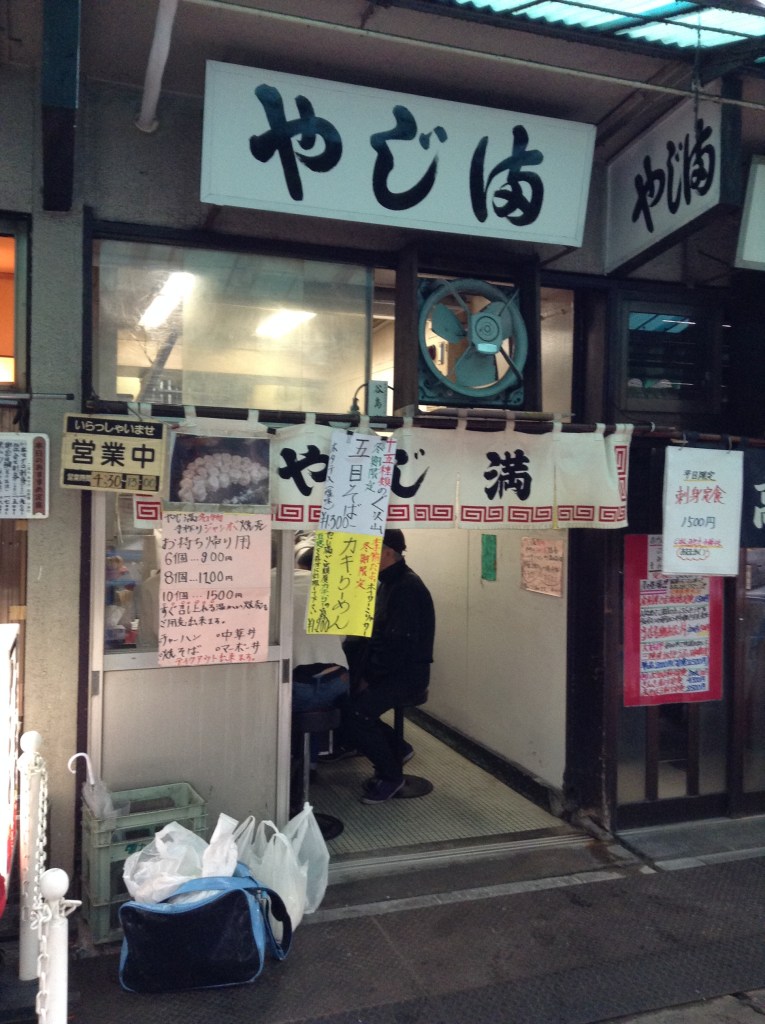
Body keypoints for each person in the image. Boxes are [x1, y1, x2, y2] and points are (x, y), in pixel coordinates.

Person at [335, 528, 436, 804]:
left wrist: (369, 676)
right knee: (347, 704)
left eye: (371, 551)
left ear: (388, 552)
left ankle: (391, 776)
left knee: (356, 713)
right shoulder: (390, 582)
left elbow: (397, 645)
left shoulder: (405, 588)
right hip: (393, 670)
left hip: (406, 675)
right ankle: (398, 747)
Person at [290, 542, 349, 771]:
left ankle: (288, 768)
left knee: (281, 705)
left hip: (296, 685)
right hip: (337, 681)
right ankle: (310, 764)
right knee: (313, 708)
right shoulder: (332, 588)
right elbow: (341, 637)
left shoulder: (272, 584)